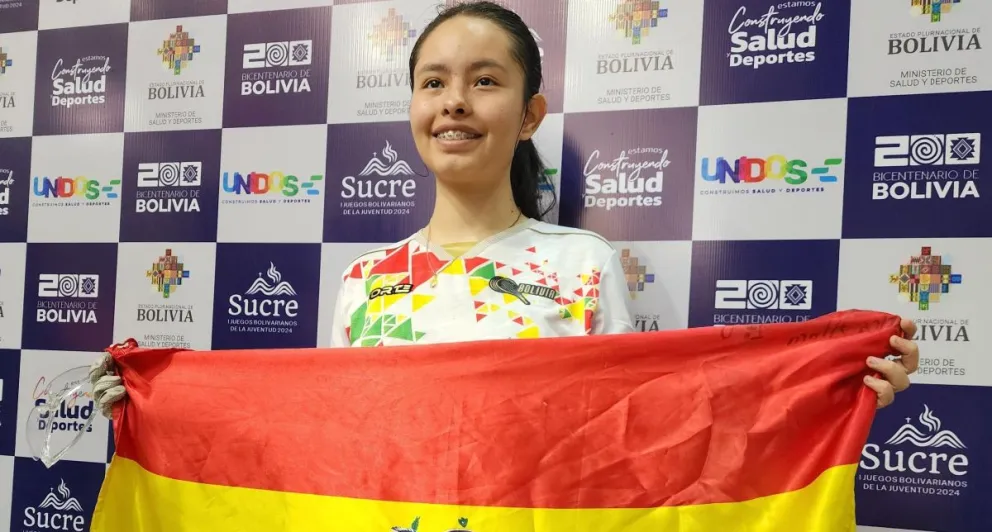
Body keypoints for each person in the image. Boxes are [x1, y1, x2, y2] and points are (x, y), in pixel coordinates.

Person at [90, 1, 918, 418]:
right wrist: (163, 403)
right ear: (412, 107)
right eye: (433, 82)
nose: (455, 103)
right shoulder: (363, 279)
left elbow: (648, 426)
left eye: (485, 80)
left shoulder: (580, 264)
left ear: (528, 115)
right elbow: (316, 428)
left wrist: (826, 395)